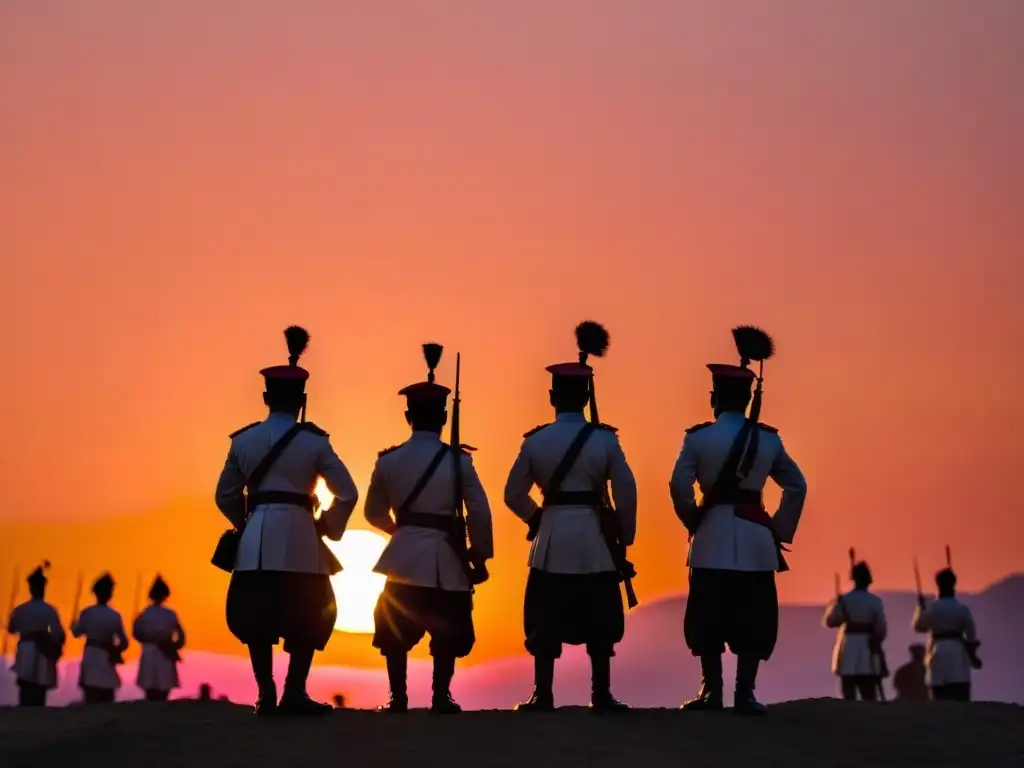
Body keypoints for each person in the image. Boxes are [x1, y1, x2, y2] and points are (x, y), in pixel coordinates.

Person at [217, 326, 359, 717]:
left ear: (265, 398)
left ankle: (265, 694)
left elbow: (224, 495)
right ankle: (295, 691)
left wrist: (245, 523)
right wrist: (329, 526)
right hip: (301, 536)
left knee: (256, 617)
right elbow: (347, 492)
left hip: (256, 539)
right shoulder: (316, 442)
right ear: (302, 400)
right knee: (309, 612)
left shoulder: (242, 442)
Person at [670, 328, 807, 716]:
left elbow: (678, 485)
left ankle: (711, 692)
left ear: (714, 397)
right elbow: (796, 486)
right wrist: (778, 529)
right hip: (756, 544)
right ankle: (745, 693)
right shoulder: (769, 441)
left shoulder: (698, 440)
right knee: (753, 620)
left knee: (708, 619)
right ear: (748, 399)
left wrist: (693, 519)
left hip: (711, 540)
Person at [504, 322, 637, 713]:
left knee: (546, 618)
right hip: (595, 539)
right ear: (587, 395)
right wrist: (623, 536)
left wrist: (536, 518)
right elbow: (626, 491)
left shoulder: (536, 441)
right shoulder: (606, 440)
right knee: (600, 618)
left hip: (551, 540)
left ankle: (542, 695)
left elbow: (513, 494)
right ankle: (602, 694)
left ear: (552, 396)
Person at [365, 342, 494, 714]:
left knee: (394, 631)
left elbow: (373, 513)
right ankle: (441, 696)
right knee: (448, 629)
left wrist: (400, 534)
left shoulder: (388, 462)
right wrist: (478, 556)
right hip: (446, 556)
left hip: (403, 556)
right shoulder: (459, 462)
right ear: (442, 418)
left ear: (408, 416)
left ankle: (398, 698)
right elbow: (479, 513)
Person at [823, 559, 887, 701]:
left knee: (848, 685)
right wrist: (877, 641)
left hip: (848, 645)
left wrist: (838, 607)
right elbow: (881, 628)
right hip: (867, 645)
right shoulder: (874, 601)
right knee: (868, 687)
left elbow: (830, 621)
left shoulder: (845, 600)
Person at [912, 567, 980, 702]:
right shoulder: (962, 609)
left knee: (939, 699)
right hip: (958, 655)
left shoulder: (932, 608)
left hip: (937, 653)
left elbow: (919, 627)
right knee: (960, 697)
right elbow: (971, 636)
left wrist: (920, 608)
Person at [7, 562, 65, 707]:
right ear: (43, 588)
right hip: (42, 650)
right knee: (40, 688)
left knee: (26, 687)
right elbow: (59, 634)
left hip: (26, 648)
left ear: (30, 588)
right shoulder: (49, 610)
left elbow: (11, 629)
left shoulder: (20, 610)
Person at [72, 572, 129, 704]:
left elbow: (76, 633)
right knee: (107, 696)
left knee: (90, 695)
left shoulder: (86, 613)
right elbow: (124, 643)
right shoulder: (115, 616)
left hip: (91, 655)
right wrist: (115, 652)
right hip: (107, 658)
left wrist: (73, 625)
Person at [133, 575, 186, 702]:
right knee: (164, 689)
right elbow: (181, 638)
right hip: (166, 654)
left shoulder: (144, 614)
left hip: (149, 652)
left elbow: (136, 634)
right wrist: (173, 647)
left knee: (149, 689)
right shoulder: (170, 614)